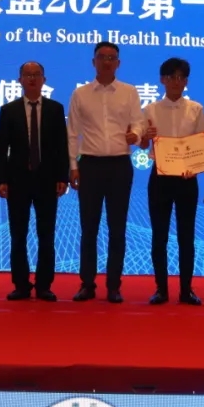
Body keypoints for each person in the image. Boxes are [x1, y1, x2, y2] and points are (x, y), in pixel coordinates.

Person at [67, 41, 145, 303]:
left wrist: (136, 134)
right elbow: (72, 133)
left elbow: (138, 122)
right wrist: (73, 166)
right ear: (94, 62)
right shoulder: (80, 94)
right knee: (89, 228)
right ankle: (87, 284)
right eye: (102, 57)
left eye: (112, 58)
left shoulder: (129, 92)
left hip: (119, 166)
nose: (107, 61)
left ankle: (114, 285)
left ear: (118, 63)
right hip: (89, 165)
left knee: (117, 228)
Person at [0, 61, 68, 302]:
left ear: (44, 80)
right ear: (20, 80)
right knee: (18, 235)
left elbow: (62, 146)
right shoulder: (9, 110)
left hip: (47, 181)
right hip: (18, 181)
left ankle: (44, 285)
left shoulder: (55, 109)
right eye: (27, 75)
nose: (32, 79)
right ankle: (21, 285)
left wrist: (62, 176)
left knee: (46, 235)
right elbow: (1, 148)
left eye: (37, 74)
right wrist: (1, 179)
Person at [140, 57, 204, 305]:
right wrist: (145, 137)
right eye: (171, 77)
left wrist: (196, 167)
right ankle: (161, 289)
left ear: (186, 81)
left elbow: (202, 145)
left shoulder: (196, 109)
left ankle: (186, 289)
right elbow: (142, 145)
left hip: (187, 179)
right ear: (162, 80)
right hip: (160, 176)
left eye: (181, 77)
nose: (176, 82)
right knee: (159, 235)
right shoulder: (150, 109)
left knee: (186, 236)